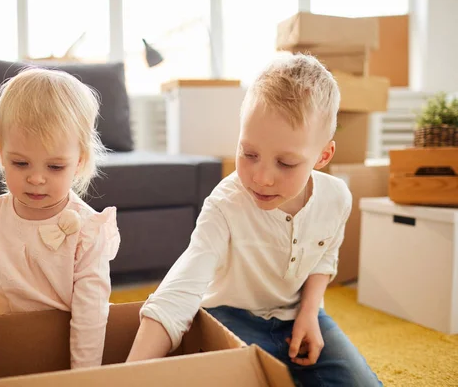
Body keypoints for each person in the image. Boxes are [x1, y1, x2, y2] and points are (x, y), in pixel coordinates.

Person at [126, 52, 382, 386]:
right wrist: (128, 374)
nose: (261, 178)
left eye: (286, 163)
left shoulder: (337, 198)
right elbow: (180, 291)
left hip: (299, 315)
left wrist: (308, 313)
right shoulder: (224, 205)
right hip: (230, 316)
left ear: (323, 156)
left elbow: (324, 258)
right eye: (249, 154)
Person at [0, 68, 120, 369]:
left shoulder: (88, 230)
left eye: (54, 167)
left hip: (67, 351)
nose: (37, 178)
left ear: (78, 162)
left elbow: (91, 313)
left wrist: (82, 376)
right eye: (21, 163)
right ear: (1, 154)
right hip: (4, 345)